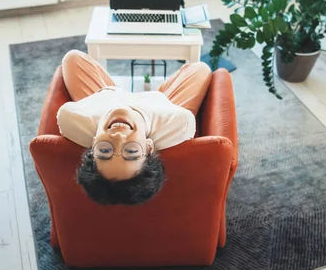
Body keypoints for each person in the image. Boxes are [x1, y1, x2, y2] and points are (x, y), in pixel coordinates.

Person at [57, 50, 212, 206]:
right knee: (201, 68)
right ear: (150, 146)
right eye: (131, 151)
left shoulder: (73, 120)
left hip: (107, 97)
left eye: (104, 150)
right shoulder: (178, 123)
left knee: (72, 57)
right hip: (158, 103)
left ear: (92, 144)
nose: (118, 137)